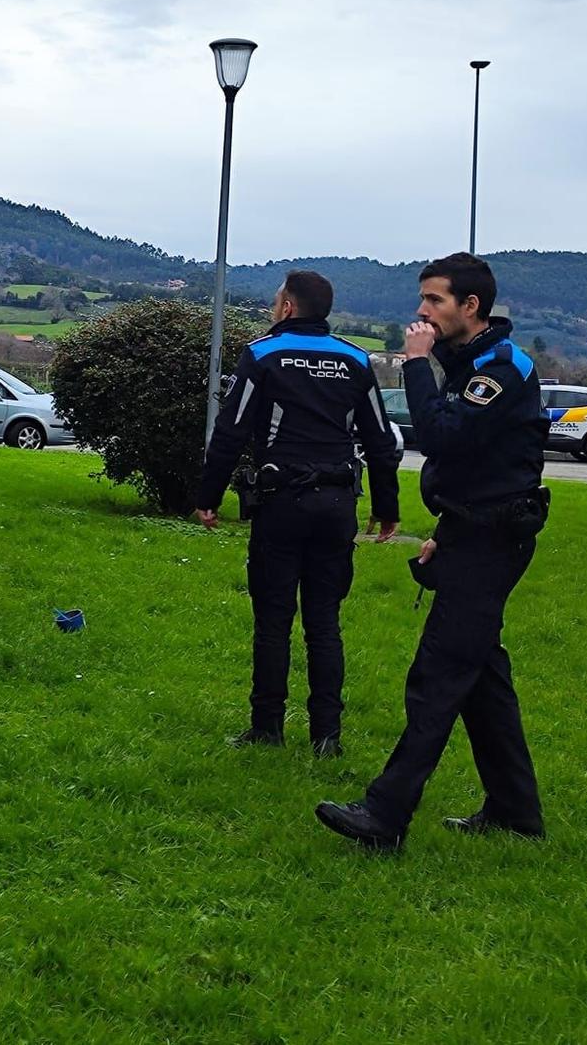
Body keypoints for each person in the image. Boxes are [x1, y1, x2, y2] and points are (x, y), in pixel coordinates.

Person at [318, 254, 549, 851]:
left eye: (435, 301)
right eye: (422, 300)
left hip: (493, 540)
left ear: (470, 307)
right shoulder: (470, 360)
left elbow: (444, 434)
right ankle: (516, 813)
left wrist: (416, 364)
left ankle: (384, 814)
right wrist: (447, 530)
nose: (421, 313)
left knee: (439, 676)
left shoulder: (500, 368)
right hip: (473, 532)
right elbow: (474, 462)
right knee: (482, 679)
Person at [195, 270, 400, 758]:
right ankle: (327, 737)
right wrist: (387, 507)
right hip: (336, 505)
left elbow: (230, 430)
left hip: (282, 501)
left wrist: (207, 495)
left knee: (273, 619)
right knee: (324, 620)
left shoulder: (263, 353)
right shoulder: (356, 359)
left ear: (288, 307)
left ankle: (267, 728)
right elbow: (379, 437)